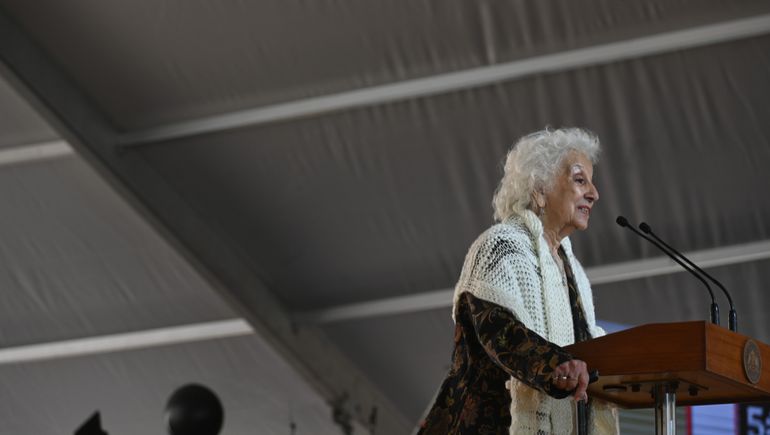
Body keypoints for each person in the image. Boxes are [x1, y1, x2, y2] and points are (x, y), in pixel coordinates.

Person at [419, 127, 618, 434]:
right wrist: (555, 364)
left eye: (591, 182)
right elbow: (499, 331)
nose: (594, 193)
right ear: (539, 188)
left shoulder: (573, 270)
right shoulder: (500, 246)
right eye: (580, 180)